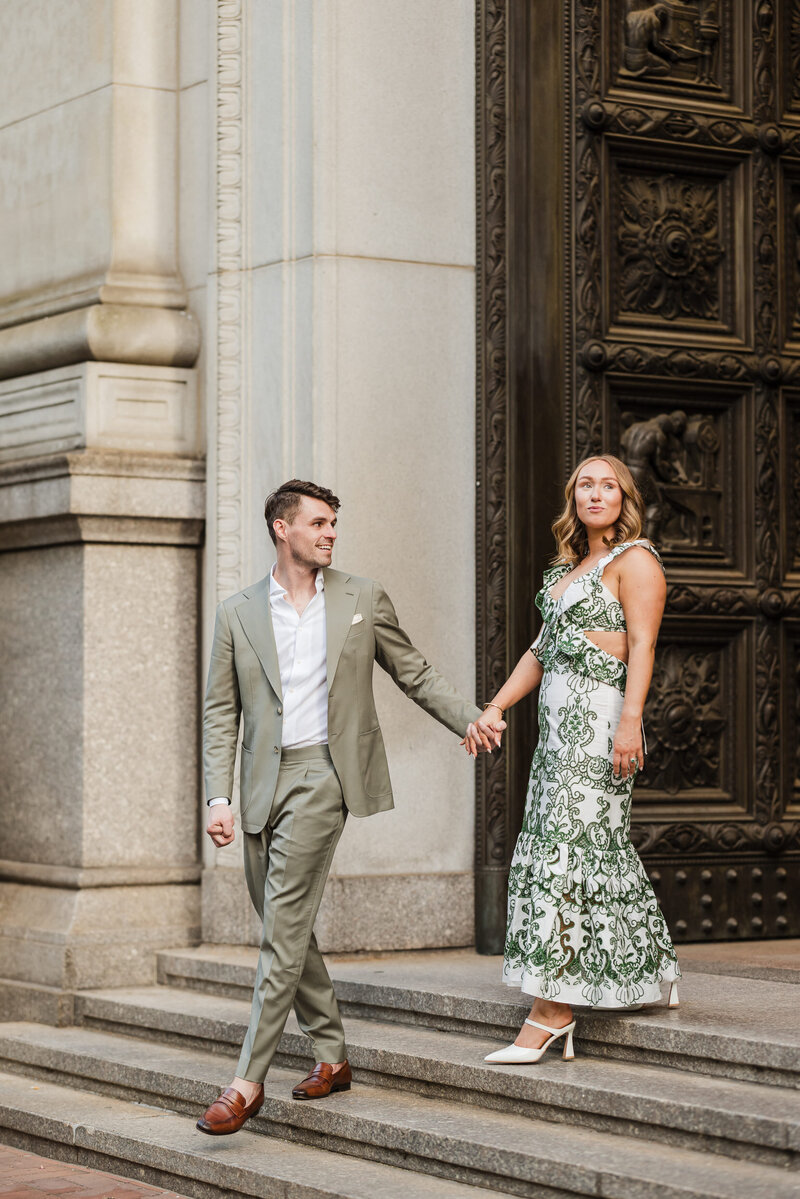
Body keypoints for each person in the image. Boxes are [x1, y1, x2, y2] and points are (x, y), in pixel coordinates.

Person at [197, 479, 501, 1134]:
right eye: (319, 522)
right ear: (283, 528)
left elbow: (411, 669)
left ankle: (246, 1079)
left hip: (323, 776)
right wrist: (219, 796)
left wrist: (469, 717)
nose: (331, 532)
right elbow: (222, 712)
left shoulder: (362, 597)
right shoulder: (237, 613)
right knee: (287, 922)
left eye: (334, 523)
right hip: (256, 785)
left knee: (280, 931)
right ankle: (332, 1054)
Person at [465, 455, 680, 1065]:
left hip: (602, 726)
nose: (596, 492)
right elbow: (541, 649)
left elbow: (642, 644)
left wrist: (631, 723)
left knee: (573, 846)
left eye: (608, 484)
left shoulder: (635, 560)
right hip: (558, 734)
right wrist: (496, 708)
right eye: (586, 483)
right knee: (584, 843)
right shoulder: (570, 565)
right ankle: (646, 969)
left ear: (624, 497)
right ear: (573, 497)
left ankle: (552, 1013)